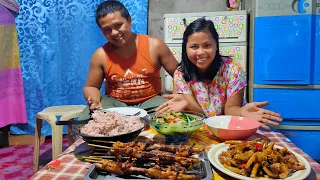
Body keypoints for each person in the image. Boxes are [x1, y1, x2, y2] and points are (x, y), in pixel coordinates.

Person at [156, 18, 282, 130]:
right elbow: (199, 115)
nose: (201, 52)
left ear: (216, 45)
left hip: (230, 128)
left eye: (207, 45)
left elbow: (231, 109)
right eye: (194, 47)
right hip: (199, 131)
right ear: (185, 48)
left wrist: (243, 112)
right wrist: (186, 105)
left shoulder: (233, 70)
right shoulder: (181, 74)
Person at [80, 0, 178, 119]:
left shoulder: (155, 46)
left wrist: (177, 96)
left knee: (174, 118)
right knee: (84, 121)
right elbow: (91, 87)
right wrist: (94, 101)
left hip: (151, 101)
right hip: (115, 104)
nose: (115, 33)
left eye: (118, 25)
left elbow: (179, 75)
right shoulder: (100, 55)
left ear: (129, 21)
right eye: (107, 30)